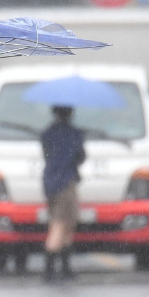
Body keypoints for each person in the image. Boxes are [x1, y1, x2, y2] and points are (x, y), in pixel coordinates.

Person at [40, 106, 86, 282]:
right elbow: (80, 157)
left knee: (64, 223)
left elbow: (47, 154)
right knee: (61, 224)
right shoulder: (74, 134)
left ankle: (64, 268)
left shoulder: (48, 133)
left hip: (50, 182)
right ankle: (50, 271)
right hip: (66, 183)